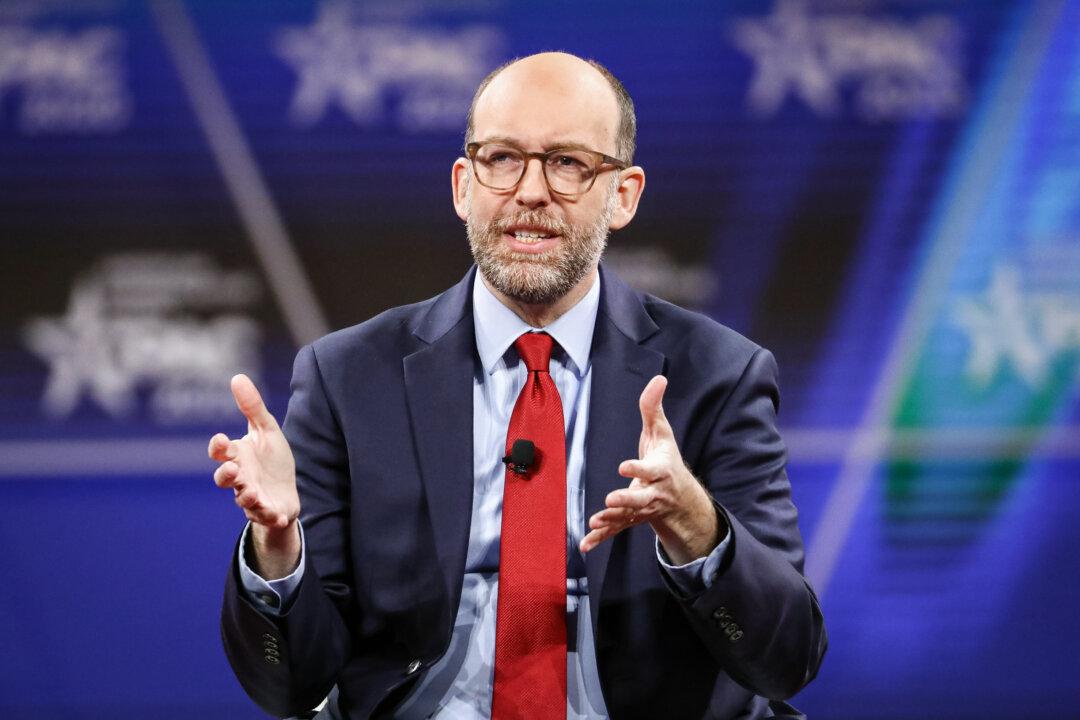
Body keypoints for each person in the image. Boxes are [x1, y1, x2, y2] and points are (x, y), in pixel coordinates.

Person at [211, 52, 826, 720]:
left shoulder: (716, 375)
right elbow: (290, 687)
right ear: (463, 186)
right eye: (502, 158)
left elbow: (786, 658)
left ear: (622, 194)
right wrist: (277, 550)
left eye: (566, 162)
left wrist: (696, 527)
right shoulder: (349, 377)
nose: (530, 191)